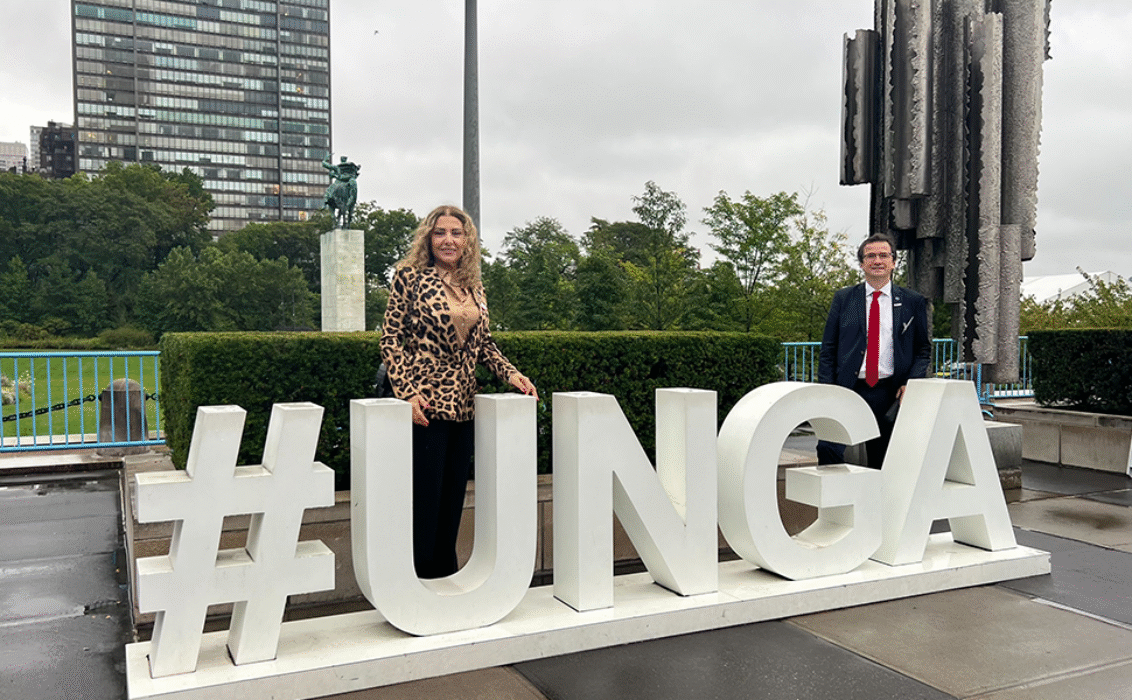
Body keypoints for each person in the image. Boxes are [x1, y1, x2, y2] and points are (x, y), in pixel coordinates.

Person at [381, 205, 539, 578]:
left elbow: (484, 345)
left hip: (464, 407)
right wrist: (407, 393)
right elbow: (391, 339)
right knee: (426, 501)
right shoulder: (410, 277)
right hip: (426, 405)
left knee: (453, 501)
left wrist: (513, 374)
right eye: (440, 232)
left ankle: (445, 580)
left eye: (456, 232)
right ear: (429, 238)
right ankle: (418, 581)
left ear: (467, 240)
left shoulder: (474, 285)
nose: (448, 240)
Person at [816, 232, 931, 469]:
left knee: (882, 458)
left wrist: (912, 382)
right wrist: (827, 389)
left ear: (893, 262)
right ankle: (835, 500)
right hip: (848, 388)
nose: (877, 260)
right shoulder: (844, 298)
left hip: (887, 391)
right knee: (829, 448)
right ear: (862, 264)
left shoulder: (913, 301)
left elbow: (923, 349)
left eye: (883, 255)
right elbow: (828, 348)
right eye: (870, 256)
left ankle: (877, 505)